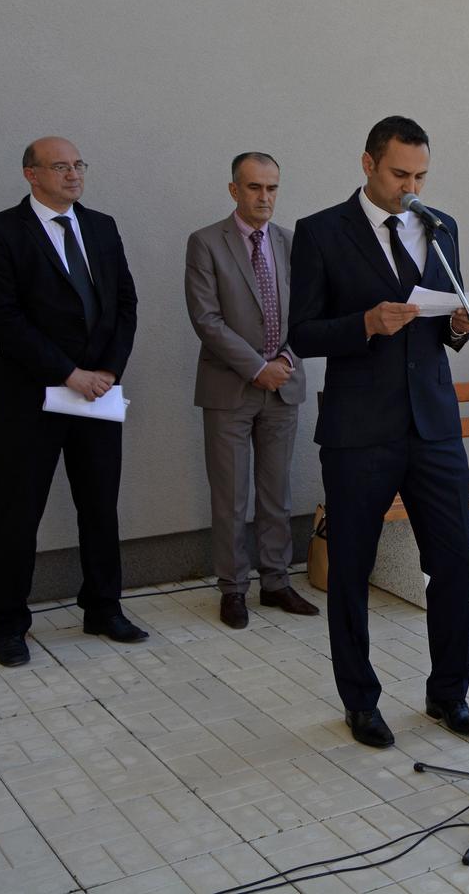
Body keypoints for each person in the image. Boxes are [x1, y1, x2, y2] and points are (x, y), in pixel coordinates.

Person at [288, 116, 469, 748]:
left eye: (421, 176)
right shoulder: (321, 231)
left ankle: (448, 692)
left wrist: (459, 325)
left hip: (434, 426)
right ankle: (361, 700)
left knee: (455, 560)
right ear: (368, 164)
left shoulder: (441, 226)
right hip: (359, 431)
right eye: (401, 174)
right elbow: (302, 332)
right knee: (351, 569)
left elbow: (442, 332)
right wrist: (366, 324)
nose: (412, 188)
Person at [0, 137, 145, 667]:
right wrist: (70, 374)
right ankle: (9, 623)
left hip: (98, 393)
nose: (73, 175)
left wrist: (107, 371)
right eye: (60, 167)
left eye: (78, 165)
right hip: (32, 396)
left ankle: (103, 607)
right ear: (31, 174)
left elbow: (125, 303)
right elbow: (1, 318)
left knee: (100, 505)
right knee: (18, 511)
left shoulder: (102, 226)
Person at [185, 152, 318, 629]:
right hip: (230, 389)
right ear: (234, 190)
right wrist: (256, 367)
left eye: (272, 188)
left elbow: (308, 313)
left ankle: (276, 582)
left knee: (276, 492)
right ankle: (233, 588)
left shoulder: (291, 242)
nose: (265, 197)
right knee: (231, 496)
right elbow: (207, 319)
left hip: (283, 385)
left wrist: (284, 362)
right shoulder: (206, 243)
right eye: (255, 187)